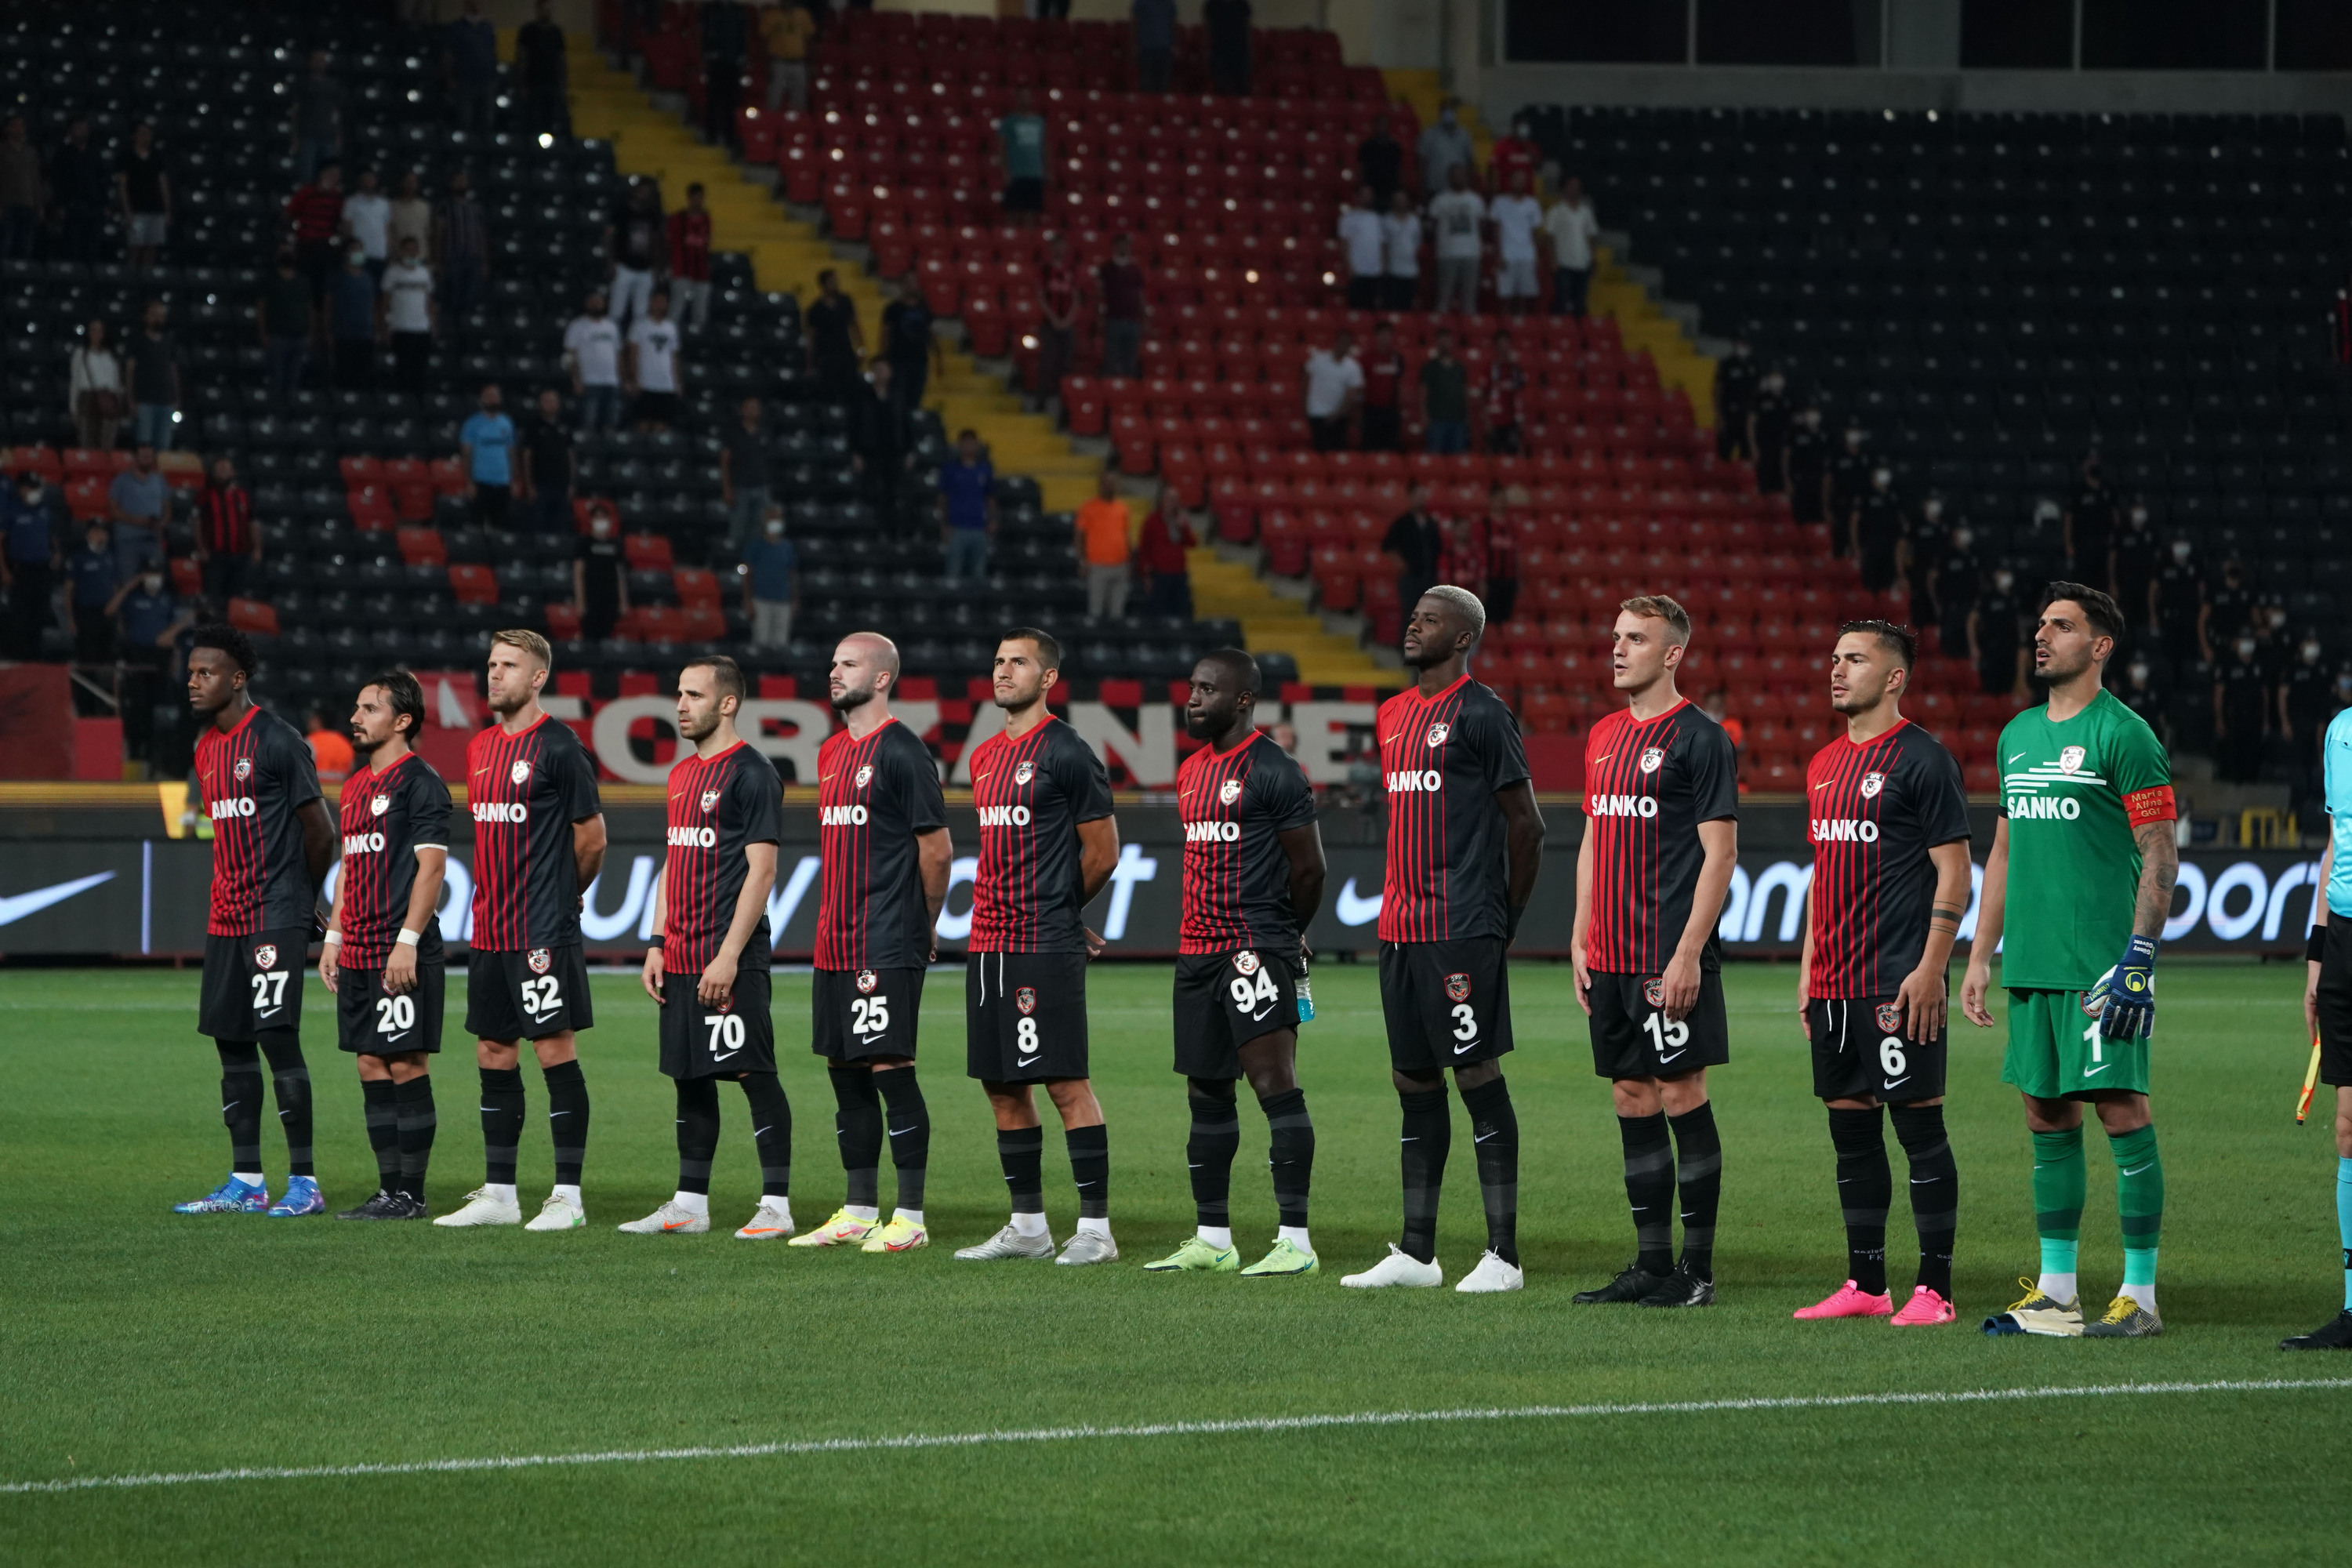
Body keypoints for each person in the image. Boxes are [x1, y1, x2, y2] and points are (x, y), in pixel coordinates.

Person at [1962, 584, 2177, 1339]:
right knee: (2045, 1115)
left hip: (2099, 968)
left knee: (2122, 1111)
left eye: (2062, 625)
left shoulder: (2127, 735)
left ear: (2100, 646)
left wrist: (2139, 957)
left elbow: (2160, 852)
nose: (2042, 636)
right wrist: (1981, 953)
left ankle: (2140, 1297)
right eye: (2041, 624)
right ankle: (2058, 1294)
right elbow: (2004, 850)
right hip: (2033, 962)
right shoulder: (2016, 735)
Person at [1341, 586, 1543, 1293]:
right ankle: (1418, 1254)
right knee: (1412, 1080)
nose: (1412, 625)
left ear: (1462, 639)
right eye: (1414, 615)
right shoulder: (1393, 714)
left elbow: (1528, 826)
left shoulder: (1485, 714)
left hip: (1461, 926)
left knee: (1477, 1075)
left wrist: (1501, 920)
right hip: (1399, 928)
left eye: (1430, 619)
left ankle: (1503, 1257)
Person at [1791, 622, 1973, 1327]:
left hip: (1897, 982)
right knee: (1852, 1136)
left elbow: (1954, 869)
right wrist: (1810, 970)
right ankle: (1867, 1284)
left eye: (1855, 659)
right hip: (1835, 986)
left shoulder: (1923, 760)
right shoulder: (1823, 763)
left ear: (1895, 677)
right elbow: (1822, 875)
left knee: (1920, 1132)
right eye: (1834, 657)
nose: (1837, 669)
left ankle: (1936, 1290)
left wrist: (1933, 968)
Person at [1570, 593, 1740, 1309]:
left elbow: (1721, 855)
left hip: (1663, 956)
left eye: (1635, 639)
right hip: (1606, 956)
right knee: (1631, 1095)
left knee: (1680, 1093)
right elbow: (1590, 840)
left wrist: (1688, 954)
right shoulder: (1604, 733)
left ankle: (1695, 1272)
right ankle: (1649, 1263)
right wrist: (1579, 934)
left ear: (1672, 654)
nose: (1617, 648)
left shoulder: (1701, 738)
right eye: (1615, 636)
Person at [1148, 649, 1327, 1276]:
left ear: (1243, 700)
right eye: (1191, 688)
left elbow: (1310, 869)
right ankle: (1213, 1238)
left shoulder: (1275, 770)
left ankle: (1296, 1243)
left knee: (1275, 1085)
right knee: (1206, 1091)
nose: (1192, 699)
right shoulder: (1193, 770)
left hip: (1252, 949)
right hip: (1195, 953)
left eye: (1206, 689)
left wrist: (1284, 934)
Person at [953, 629, 1122, 1265]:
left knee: (1065, 1084)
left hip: (1040, 945)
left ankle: (1097, 1232)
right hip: (988, 942)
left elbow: (1102, 851)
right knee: (1001, 1087)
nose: (1003, 671)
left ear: (1047, 678)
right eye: (997, 660)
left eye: (1018, 662)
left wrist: (1059, 911)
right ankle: (1028, 1227)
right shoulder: (984, 756)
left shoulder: (1068, 751)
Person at [434, 630, 607, 1231]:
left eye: (508, 666)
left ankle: (568, 1196)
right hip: (488, 928)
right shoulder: (480, 747)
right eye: (490, 664)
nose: (494, 675)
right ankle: (500, 1193)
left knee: (553, 1050)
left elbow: (592, 839)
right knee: (492, 1050)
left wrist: (563, 899)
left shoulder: (561, 747)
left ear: (538, 678)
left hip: (542, 928)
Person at [789, 633, 953, 1252]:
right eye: (832, 662)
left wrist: (924, 921)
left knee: (890, 1067)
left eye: (848, 664)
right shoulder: (831, 752)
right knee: (845, 1072)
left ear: (882, 678)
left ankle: (909, 1217)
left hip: (886, 938)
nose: (834, 672)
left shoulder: (903, 752)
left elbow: (936, 851)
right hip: (834, 939)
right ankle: (858, 1209)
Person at [171, 624, 336, 1218]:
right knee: (231, 1042)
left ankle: (305, 1183)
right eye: (191, 672)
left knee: (276, 1039)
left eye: (206, 672)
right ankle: (246, 1181)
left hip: (273, 913)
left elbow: (322, 833)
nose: (193, 682)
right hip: (226, 917)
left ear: (237, 679)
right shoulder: (205, 748)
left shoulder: (277, 740)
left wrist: (298, 899)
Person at [623, 659, 791, 1238]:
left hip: (730, 956)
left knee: (752, 1073)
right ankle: (690, 1205)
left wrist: (728, 956)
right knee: (689, 1076)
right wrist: (655, 941)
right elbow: (674, 860)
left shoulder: (752, 773)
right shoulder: (680, 775)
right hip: (680, 953)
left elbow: (763, 872)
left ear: (727, 704)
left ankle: (777, 1206)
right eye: (679, 694)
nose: (680, 704)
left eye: (694, 695)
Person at [318, 671, 452, 1220]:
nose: (356, 716)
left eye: (369, 708)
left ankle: (412, 1195)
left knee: (405, 1062)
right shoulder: (353, 787)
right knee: (370, 1063)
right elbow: (351, 867)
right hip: (359, 947)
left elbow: (432, 868)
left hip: (400, 947)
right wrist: (334, 934)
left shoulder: (420, 782)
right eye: (356, 706)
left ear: (401, 721)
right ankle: (387, 1189)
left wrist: (408, 943)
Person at [2291, 700, 2352, 1349]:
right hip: (2344, 942)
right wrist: (2317, 953)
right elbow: (2337, 841)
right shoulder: (2338, 729)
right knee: (2348, 1126)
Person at [2, 470, 61, 660]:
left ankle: (36, 659)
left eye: (37, 488)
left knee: (39, 616)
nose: (35, 492)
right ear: (21, 489)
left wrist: (56, 551)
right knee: (20, 617)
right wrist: (3, 570)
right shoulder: (11, 510)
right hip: (20, 569)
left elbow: (50, 533)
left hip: (41, 569)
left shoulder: (44, 509)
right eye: (31, 488)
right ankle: (20, 658)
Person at [193, 456, 260, 608]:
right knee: (212, 597)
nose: (222, 473)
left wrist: (257, 548)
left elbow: (253, 523)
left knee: (237, 598)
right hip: (215, 555)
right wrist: (201, 548)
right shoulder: (204, 496)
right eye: (219, 470)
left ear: (233, 472)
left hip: (240, 554)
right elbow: (196, 523)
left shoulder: (243, 495)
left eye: (225, 470)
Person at [286, 160, 347, 319]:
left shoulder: (336, 197)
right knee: (306, 287)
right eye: (333, 174)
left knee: (323, 289)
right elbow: (290, 213)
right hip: (306, 246)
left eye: (338, 175)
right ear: (323, 174)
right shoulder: (306, 192)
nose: (336, 178)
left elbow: (340, 221)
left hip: (325, 248)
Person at [48, 114, 110, 265]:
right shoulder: (62, 153)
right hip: (72, 206)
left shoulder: (94, 153)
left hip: (93, 206)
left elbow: (102, 180)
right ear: (70, 131)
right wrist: (61, 204)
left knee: (92, 247)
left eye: (84, 128)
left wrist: (105, 204)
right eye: (78, 129)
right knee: (72, 246)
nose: (82, 132)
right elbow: (57, 181)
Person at [880, 274, 942, 423]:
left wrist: (939, 357)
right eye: (908, 282)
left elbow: (931, 333)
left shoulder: (924, 308)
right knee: (899, 399)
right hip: (899, 360)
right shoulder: (893, 308)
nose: (912, 286)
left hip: (920, 360)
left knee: (916, 399)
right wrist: (884, 358)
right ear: (901, 286)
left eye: (914, 282)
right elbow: (885, 334)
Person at [379, 236, 435, 398]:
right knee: (403, 368)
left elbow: (429, 300)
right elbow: (384, 302)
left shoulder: (424, 272)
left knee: (420, 369)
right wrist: (383, 326)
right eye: (408, 249)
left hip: (422, 327)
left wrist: (433, 323)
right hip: (401, 327)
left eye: (414, 249)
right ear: (402, 251)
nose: (411, 253)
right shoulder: (392, 273)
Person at [1073, 472, 1132, 619]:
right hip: (1097, 566)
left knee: (1117, 613)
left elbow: (1125, 535)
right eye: (1107, 484)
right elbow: (1079, 536)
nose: (1110, 487)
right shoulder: (1088, 508)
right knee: (1096, 611)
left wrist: (1130, 560)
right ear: (1101, 485)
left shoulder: (1122, 508)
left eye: (1113, 484)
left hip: (1120, 566)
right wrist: (1082, 561)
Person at [607, 180, 664, 333]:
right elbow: (610, 237)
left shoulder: (653, 214)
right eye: (641, 190)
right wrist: (611, 262)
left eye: (646, 191)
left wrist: (657, 269)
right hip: (624, 266)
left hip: (645, 269)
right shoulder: (622, 211)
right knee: (616, 311)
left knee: (641, 315)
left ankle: (636, 350)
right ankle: (613, 347)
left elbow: (658, 242)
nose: (643, 194)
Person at [1428, 165, 1485, 317]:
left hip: (1471, 254)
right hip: (1447, 255)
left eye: (1462, 174)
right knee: (1444, 298)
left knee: (1469, 301)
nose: (1459, 178)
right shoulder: (1440, 200)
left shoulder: (1476, 200)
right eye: (1456, 175)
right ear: (1450, 178)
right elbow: (1433, 225)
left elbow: (1481, 226)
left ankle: (1470, 333)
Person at [938, 429, 995, 580]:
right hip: (956, 528)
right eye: (966, 443)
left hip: (978, 528)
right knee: (954, 572)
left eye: (972, 443)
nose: (969, 446)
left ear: (977, 445)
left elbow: (990, 498)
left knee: (978, 574)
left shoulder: (985, 469)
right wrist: (943, 524)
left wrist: (992, 520)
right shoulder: (950, 469)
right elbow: (943, 498)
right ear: (960, 445)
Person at [517, 390, 575, 538]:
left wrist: (571, 483)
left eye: (553, 401)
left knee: (560, 525)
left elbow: (571, 456)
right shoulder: (533, 426)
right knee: (539, 526)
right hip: (540, 484)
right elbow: (527, 456)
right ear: (540, 404)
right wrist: (529, 485)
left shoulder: (565, 425)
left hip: (561, 484)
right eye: (546, 401)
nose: (550, 404)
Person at [126, 300, 183, 452]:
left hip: (166, 401)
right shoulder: (137, 340)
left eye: (160, 315)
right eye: (154, 315)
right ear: (146, 317)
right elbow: (130, 371)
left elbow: (173, 371)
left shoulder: (169, 342)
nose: (157, 319)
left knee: (164, 446)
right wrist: (131, 399)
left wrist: (176, 397)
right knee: (144, 445)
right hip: (144, 400)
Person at [434, 169, 489, 324]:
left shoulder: (476, 208)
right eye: (458, 181)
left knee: (470, 298)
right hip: (453, 258)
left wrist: (484, 261)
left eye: (463, 181)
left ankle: (467, 330)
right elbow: (439, 235)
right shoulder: (445, 207)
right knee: (453, 297)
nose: (461, 184)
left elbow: (481, 236)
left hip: (473, 258)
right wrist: (438, 260)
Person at [564, 291, 624, 434]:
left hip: (611, 381)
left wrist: (621, 377)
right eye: (593, 301)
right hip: (589, 381)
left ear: (604, 304)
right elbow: (570, 355)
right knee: (588, 422)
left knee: (611, 423)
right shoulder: (577, 326)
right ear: (587, 304)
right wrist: (576, 380)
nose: (596, 304)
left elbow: (618, 354)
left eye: (599, 301)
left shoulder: (612, 326)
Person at [2212, 632, 2268, 782]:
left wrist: (2266, 719)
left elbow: (2264, 694)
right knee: (2234, 753)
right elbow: (2219, 694)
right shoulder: (2228, 664)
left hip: (2254, 715)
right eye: (2243, 639)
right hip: (2234, 716)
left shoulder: (2258, 663)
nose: (2246, 644)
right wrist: (2219, 719)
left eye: (2249, 639)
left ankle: (2252, 784)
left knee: (2253, 753)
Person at [106, 444, 169, 579]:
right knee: (127, 580)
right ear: (135, 458)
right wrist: (138, 521)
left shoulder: (159, 480)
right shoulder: (121, 480)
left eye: (150, 456)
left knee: (156, 581)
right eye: (143, 456)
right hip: (128, 540)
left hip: (153, 539)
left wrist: (161, 523)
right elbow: (113, 510)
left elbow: (167, 508)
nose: (147, 459)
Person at [459, 383, 516, 531]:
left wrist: (513, 480)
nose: (492, 399)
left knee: (500, 527)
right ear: (482, 399)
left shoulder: (507, 423)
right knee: (477, 526)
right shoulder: (472, 424)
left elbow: (511, 453)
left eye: (495, 396)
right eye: (489, 396)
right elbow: (466, 455)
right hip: (480, 482)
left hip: (502, 483)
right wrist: (469, 482)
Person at [1381, 483, 1445, 616]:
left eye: (1423, 496)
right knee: (1410, 614)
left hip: (1429, 576)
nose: (1421, 499)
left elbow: (1438, 548)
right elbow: (1387, 545)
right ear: (1410, 498)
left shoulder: (1431, 523)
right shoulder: (1403, 522)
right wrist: (1400, 564)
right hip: (1410, 577)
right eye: (1417, 496)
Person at [258, 251, 312, 404]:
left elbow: (309, 309)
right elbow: (262, 308)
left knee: (294, 379)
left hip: (299, 335)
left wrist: (310, 333)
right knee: (277, 377)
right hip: (277, 335)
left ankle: (292, 415)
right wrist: (263, 333)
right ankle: (276, 413)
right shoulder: (271, 281)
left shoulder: (303, 281)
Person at [625, 289, 682, 432]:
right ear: (651, 303)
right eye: (657, 301)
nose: (660, 305)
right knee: (642, 423)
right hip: (645, 382)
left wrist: (677, 382)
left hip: (666, 384)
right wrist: (633, 378)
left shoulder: (671, 327)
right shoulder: (640, 325)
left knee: (662, 425)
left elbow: (674, 356)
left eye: (663, 302)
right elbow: (632, 354)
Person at [115, 121, 170, 270]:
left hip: (155, 209)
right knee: (136, 248)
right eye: (142, 133)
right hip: (136, 210)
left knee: (151, 249)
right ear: (134, 136)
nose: (145, 137)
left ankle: (147, 283)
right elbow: (122, 186)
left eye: (148, 134)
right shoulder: (126, 156)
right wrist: (127, 211)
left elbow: (163, 184)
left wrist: (167, 210)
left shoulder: (157, 157)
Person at [1489, 169, 1544, 316]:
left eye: (1523, 180)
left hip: (1527, 255)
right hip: (1507, 254)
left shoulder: (1533, 204)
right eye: (1517, 179)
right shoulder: (1499, 202)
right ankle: (1505, 325)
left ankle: (1521, 327)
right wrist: (1498, 254)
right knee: (1506, 296)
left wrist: (1536, 256)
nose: (1520, 182)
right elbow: (1495, 231)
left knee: (1524, 296)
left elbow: (1535, 232)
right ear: (1510, 181)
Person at [1135, 488, 1196, 619]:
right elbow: (1144, 549)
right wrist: (1145, 576)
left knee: (1181, 611)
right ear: (1162, 500)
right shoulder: (1151, 521)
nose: (1172, 502)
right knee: (1159, 613)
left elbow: (1192, 543)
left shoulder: (1180, 520)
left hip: (1179, 574)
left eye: (1175, 500)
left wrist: (1184, 527)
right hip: (1159, 575)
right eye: (1169, 499)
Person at [720, 397, 771, 550]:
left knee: (758, 528)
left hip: (761, 486)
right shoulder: (733, 432)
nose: (752, 410)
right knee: (738, 528)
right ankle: (734, 564)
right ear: (742, 409)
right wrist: (727, 488)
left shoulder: (764, 432)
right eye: (749, 407)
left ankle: (752, 565)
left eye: (755, 407)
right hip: (740, 487)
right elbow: (725, 460)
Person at [444, 0, 499, 140]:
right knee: (465, 120)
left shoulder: (487, 27)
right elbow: (449, 55)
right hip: (465, 80)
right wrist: (450, 77)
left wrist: (494, 75)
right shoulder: (457, 28)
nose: (476, 5)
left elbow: (493, 53)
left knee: (487, 120)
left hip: (486, 80)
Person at [742, 506, 797, 648]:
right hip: (761, 600)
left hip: (783, 601)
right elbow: (747, 573)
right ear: (765, 521)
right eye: (772, 518)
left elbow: (792, 574)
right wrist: (748, 600)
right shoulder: (756, 545)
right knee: (762, 641)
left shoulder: (787, 547)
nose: (775, 521)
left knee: (781, 642)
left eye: (778, 518)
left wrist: (794, 599)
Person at [1543, 176, 1597, 318]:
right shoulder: (1555, 211)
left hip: (1583, 262)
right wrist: (1553, 260)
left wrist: (1592, 258)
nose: (1575, 190)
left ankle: (1578, 334)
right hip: (1563, 263)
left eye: (1577, 187)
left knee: (1580, 303)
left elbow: (1591, 236)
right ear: (1565, 189)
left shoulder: (1586, 211)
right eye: (1571, 186)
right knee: (1562, 301)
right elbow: (1549, 237)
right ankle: (1560, 332)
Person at [805, 269, 863, 401]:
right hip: (826, 356)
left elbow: (855, 326)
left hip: (845, 353)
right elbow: (811, 338)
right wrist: (810, 364)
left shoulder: (845, 301)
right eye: (831, 281)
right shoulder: (816, 309)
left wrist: (860, 348)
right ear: (823, 284)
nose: (835, 284)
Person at [68, 318, 125, 451]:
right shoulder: (81, 354)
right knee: (88, 441)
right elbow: (75, 382)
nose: (97, 334)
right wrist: (73, 408)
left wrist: (119, 402)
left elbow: (116, 381)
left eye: (100, 330)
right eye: (93, 330)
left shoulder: (111, 356)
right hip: (88, 399)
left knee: (107, 443)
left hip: (109, 400)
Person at [1034, 235, 1079, 405]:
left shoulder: (1071, 270)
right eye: (1056, 246)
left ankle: (1063, 403)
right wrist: (1054, 319)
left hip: (1068, 325)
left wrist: (1067, 320)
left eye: (1063, 246)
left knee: (1066, 364)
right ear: (1051, 249)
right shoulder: (1044, 269)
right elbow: (1040, 296)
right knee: (1046, 362)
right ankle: (1042, 400)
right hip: (1048, 324)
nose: (1060, 250)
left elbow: (1075, 298)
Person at [1969, 565, 2026, 699]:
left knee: (2007, 688)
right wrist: (1974, 646)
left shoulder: (2014, 598)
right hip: (1991, 649)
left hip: (2009, 650)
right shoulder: (1987, 598)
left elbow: (2018, 624)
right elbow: (1972, 620)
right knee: (1990, 689)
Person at [328, 245, 378, 392]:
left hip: (365, 333)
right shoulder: (338, 277)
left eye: (360, 251)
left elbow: (374, 305)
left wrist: (376, 329)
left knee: (364, 374)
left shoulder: (369, 278)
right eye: (354, 250)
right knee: (344, 374)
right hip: (344, 333)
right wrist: (329, 330)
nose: (358, 254)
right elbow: (328, 305)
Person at [67, 524, 118, 666]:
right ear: (88, 535)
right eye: (96, 532)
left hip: (106, 612)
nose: (100, 536)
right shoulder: (79, 558)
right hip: (86, 612)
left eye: (102, 532)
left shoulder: (110, 556)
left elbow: (114, 585)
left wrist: (115, 609)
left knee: (107, 652)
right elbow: (69, 589)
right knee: (87, 654)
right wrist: (70, 618)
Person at [517, 0, 571, 137]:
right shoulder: (528, 31)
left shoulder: (556, 32)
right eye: (543, 9)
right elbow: (522, 58)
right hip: (533, 82)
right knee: (533, 120)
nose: (546, 12)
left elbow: (561, 59)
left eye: (548, 9)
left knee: (550, 120)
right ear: (537, 10)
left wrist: (563, 85)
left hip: (551, 83)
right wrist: (522, 83)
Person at [2065, 453, 2117, 595]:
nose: (2094, 464)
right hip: (2083, 543)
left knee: (2102, 583)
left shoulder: (2108, 489)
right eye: (2090, 461)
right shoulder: (2077, 490)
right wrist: (2069, 544)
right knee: (2082, 582)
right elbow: (2069, 519)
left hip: (2104, 543)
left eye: (2096, 461)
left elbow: (2115, 515)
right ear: (2084, 466)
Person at [1303, 330, 1363, 453]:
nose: (1343, 345)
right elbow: (1305, 380)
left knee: (1337, 453)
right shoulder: (1319, 359)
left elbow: (1351, 395)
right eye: (1341, 342)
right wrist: (1305, 405)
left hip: (1338, 418)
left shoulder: (1353, 367)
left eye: (1347, 343)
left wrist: (1338, 414)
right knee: (1319, 453)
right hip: (1317, 413)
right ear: (1336, 342)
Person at [1096, 234, 1146, 379]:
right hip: (1113, 319)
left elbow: (1140, 295)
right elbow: (1099, 294)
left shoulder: (1135, 270)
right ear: (1115, 246)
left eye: (1126, 244)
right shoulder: (1107, 268)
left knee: (1130, 362)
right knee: (1111, 360)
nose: (1123, 247)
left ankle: (1127, 395)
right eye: (1120, 244)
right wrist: (1099, 317)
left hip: (1132, 320)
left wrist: (1143, 317)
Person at [575, 505, 626, 641]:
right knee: (590, 637)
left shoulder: (616, 544)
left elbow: (620, 574)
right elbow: (578, 573)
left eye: (603, 517)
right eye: (597, 517)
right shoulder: (585, 543)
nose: (601, 521)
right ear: (591, 521)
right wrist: (580, 601)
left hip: (610, 599)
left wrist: (623, 601)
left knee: (607, 636)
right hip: (591, 598)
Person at [666, 183, 713, 331]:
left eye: (700, 198)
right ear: (689, 198)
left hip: (701, 272)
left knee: (700, 312)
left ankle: (697, 342)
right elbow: (668, 244)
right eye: (695, 198)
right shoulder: (678, 219)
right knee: (676, 310)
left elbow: (707, 244)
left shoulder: (706, 219)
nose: (698, 201)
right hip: (681, 270)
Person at [997, 89, 1046, 227]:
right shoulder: (1009, 121)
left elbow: (1044, 146)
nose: (1025, 100)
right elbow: (1002, 147)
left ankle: (1028, 243)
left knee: (1031, 212)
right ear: (1017, 99)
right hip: (1016, 173)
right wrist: (1005, 171)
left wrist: (1046, 170)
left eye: (1027, 97)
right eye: (1022, 97)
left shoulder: (1039, 122)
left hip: (1035, 173)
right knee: (1012, 210)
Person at [1851, 465, 1903, 594]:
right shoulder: (1866, 495)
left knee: (1887, 584)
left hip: (1889, 545)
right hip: (1870, 544)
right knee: (1870, 585)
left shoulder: (1893, 496)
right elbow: (1854, 522)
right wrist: (1856, 547)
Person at [1932, 524, 1980, 662]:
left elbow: (1978, 581)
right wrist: (1937, 603)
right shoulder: (1946, 556)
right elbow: (1933, 579)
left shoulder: (1973, 555)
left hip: (1969, 605)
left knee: (1966, 644)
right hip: (1950, 606)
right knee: (1950, 645)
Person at [1357, 321, 1406, 453]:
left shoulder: (1396, 358)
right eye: (1382, 335)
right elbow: (1360, 384)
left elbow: (1399, 382)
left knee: (1391, 448)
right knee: (1370, 448)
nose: (1385, 338)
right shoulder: (1366, 358)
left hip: (1390, 410)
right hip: (1372, 410)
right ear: (1376, 336)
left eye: (1388, 335)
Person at [1417, 329, 1468, 454]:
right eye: (1442, 341)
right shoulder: (1429, 367)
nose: (1445, 344)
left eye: (1447, 341)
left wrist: (1467, 417)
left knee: (1457, 459)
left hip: (1458, 420)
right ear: (1437, 343)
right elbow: (1423, 393)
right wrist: (1424, 415)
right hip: (1437, 420)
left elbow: (1464, 393)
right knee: (1436, 458)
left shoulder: (1459, 368)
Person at [762, 0, 816, 113]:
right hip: (778, 62)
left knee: (799, 101)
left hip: (798, 62)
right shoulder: (772, 15)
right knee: (774, 100)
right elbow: (762, 37)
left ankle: (797, 128)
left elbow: (810, 37)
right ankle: (772, 127)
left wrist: (811, 61)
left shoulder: (802, 14)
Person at [0, 114, 42, 261]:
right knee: (6, 243)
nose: (20, 129)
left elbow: (35, 179)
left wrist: (39, 205)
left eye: (21, 125)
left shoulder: (30, 152)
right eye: (16, 125)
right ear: (7, 128)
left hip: (28, 204)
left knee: (25, 244)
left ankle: (22, 276)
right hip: (7, 204)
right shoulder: (2, 151)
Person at [1338, 187, 1385, 312]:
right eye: (1364, 195)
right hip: (1357, 270)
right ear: (1357, 197)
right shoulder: (1348, 218)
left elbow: (1380, 243)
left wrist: (1382, 265)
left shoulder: (1376, 218)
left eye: (1369, 195)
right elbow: (1344, 244)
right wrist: (1349, 266)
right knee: (1358, 306)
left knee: (1373, 308)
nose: (1368, 198)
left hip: (1374, 271)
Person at [342, 165, 390, 285]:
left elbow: (387, 229)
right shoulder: (351, 202)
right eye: (365, 179)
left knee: (377, 288)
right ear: (360, 182)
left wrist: (388, 250)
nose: (368, 182)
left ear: (376, 181)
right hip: (358, 254)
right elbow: (347, 228)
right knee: (358, 285)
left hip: (379, 253)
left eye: (371, 179)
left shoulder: (384, 204)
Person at [1417, 100, 1475, 198]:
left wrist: (1471, 185)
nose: (1448, 113)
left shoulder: (1464, 134)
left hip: (1459, 190)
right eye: (1445, 110)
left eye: (1451, 110)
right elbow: (1423, 162)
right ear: (1440, 113)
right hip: (1436, 189)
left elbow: (1470, 161)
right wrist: (1421, 187)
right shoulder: (1429, 134)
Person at [1715, 338, 1759, 464]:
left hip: (1747, 414)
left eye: (1745, 344)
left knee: (1746, 452)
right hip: (1729, 412)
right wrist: (1720, 416)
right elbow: (1718, 391)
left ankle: (1742, 479)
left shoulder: (1754, 364)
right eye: (1740, 344)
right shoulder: (1727, 364)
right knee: (1725, 450)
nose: (1743, 347)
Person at [1482, 330, 1524, 455]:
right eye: (1501, 344)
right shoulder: (1490, 369)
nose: (1504, 347)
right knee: (1492, 457)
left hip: (1512, 422)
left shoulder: (1515, 371)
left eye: (1507, 344)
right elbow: (1484, 396)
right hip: (1494, 421)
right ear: (1496, 346)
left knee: (1514, 456)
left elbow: (1519, 396)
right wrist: (1486, 420)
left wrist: (1521, 421)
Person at [1748, 368, 1789, 494]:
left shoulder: (1787, 399)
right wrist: (1754, 446)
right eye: (1774, 377)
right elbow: (1751, 423)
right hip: (1764, 445)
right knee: (1764, 478)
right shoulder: (1760, 398)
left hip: (1781, 445)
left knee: (1780, 480)